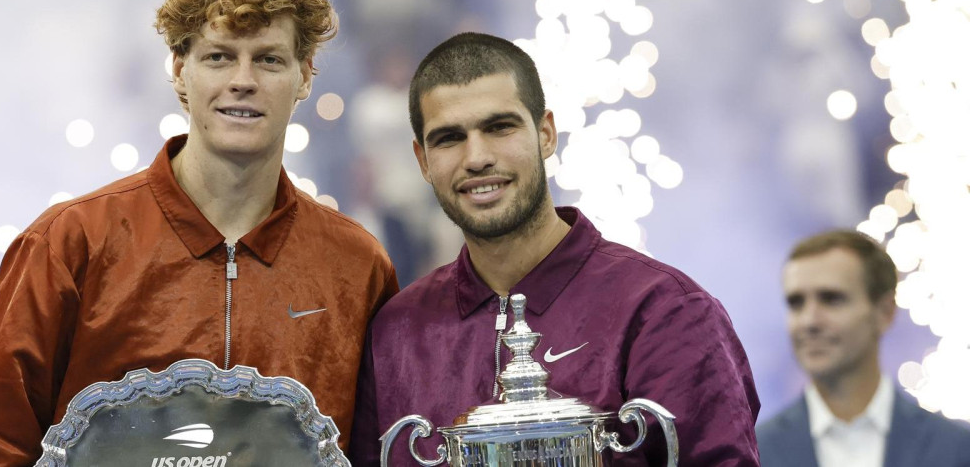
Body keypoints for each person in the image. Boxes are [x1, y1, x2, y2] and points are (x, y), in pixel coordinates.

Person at [0, 0, 398, 464]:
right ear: (181, 69)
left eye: (269, 59)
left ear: (306, 74)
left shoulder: (355, 265)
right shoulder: (71, 245)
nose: (243, 80)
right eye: (219, 56)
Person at [349, 32, 760, 466]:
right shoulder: (395, 332)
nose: (477, 157)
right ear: (423, 161)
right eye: (449, 138)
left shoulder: (664, 311)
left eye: (499, 127)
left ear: (546, 134)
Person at [757, 230, 970, 467]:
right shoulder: (753, 454)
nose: (809, 321)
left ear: (884, 312)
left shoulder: (957, 450)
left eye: (831, 299)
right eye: (796, 303)